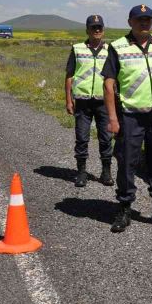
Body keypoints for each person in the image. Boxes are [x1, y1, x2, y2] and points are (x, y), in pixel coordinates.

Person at [102, 4, 152, 232]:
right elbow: (108, 85)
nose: (144, 23)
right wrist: (113, 119)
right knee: (127, 162)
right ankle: (125, 208)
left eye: (148, 19)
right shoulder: (118, 47)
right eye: (139, 20)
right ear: (130, 22)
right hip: (130, 116)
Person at [65, 15, 114, 187]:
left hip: (104, 102)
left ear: (103, 29)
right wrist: (68, 100)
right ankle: (81, 172)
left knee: (106, 138)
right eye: (93, 28)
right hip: (83, 102)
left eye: (99, 27)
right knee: (82, 137)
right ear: (87, 30)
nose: (97, 30)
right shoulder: (77, 49)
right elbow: (69, 75)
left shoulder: (110, 50)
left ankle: (106, 172)